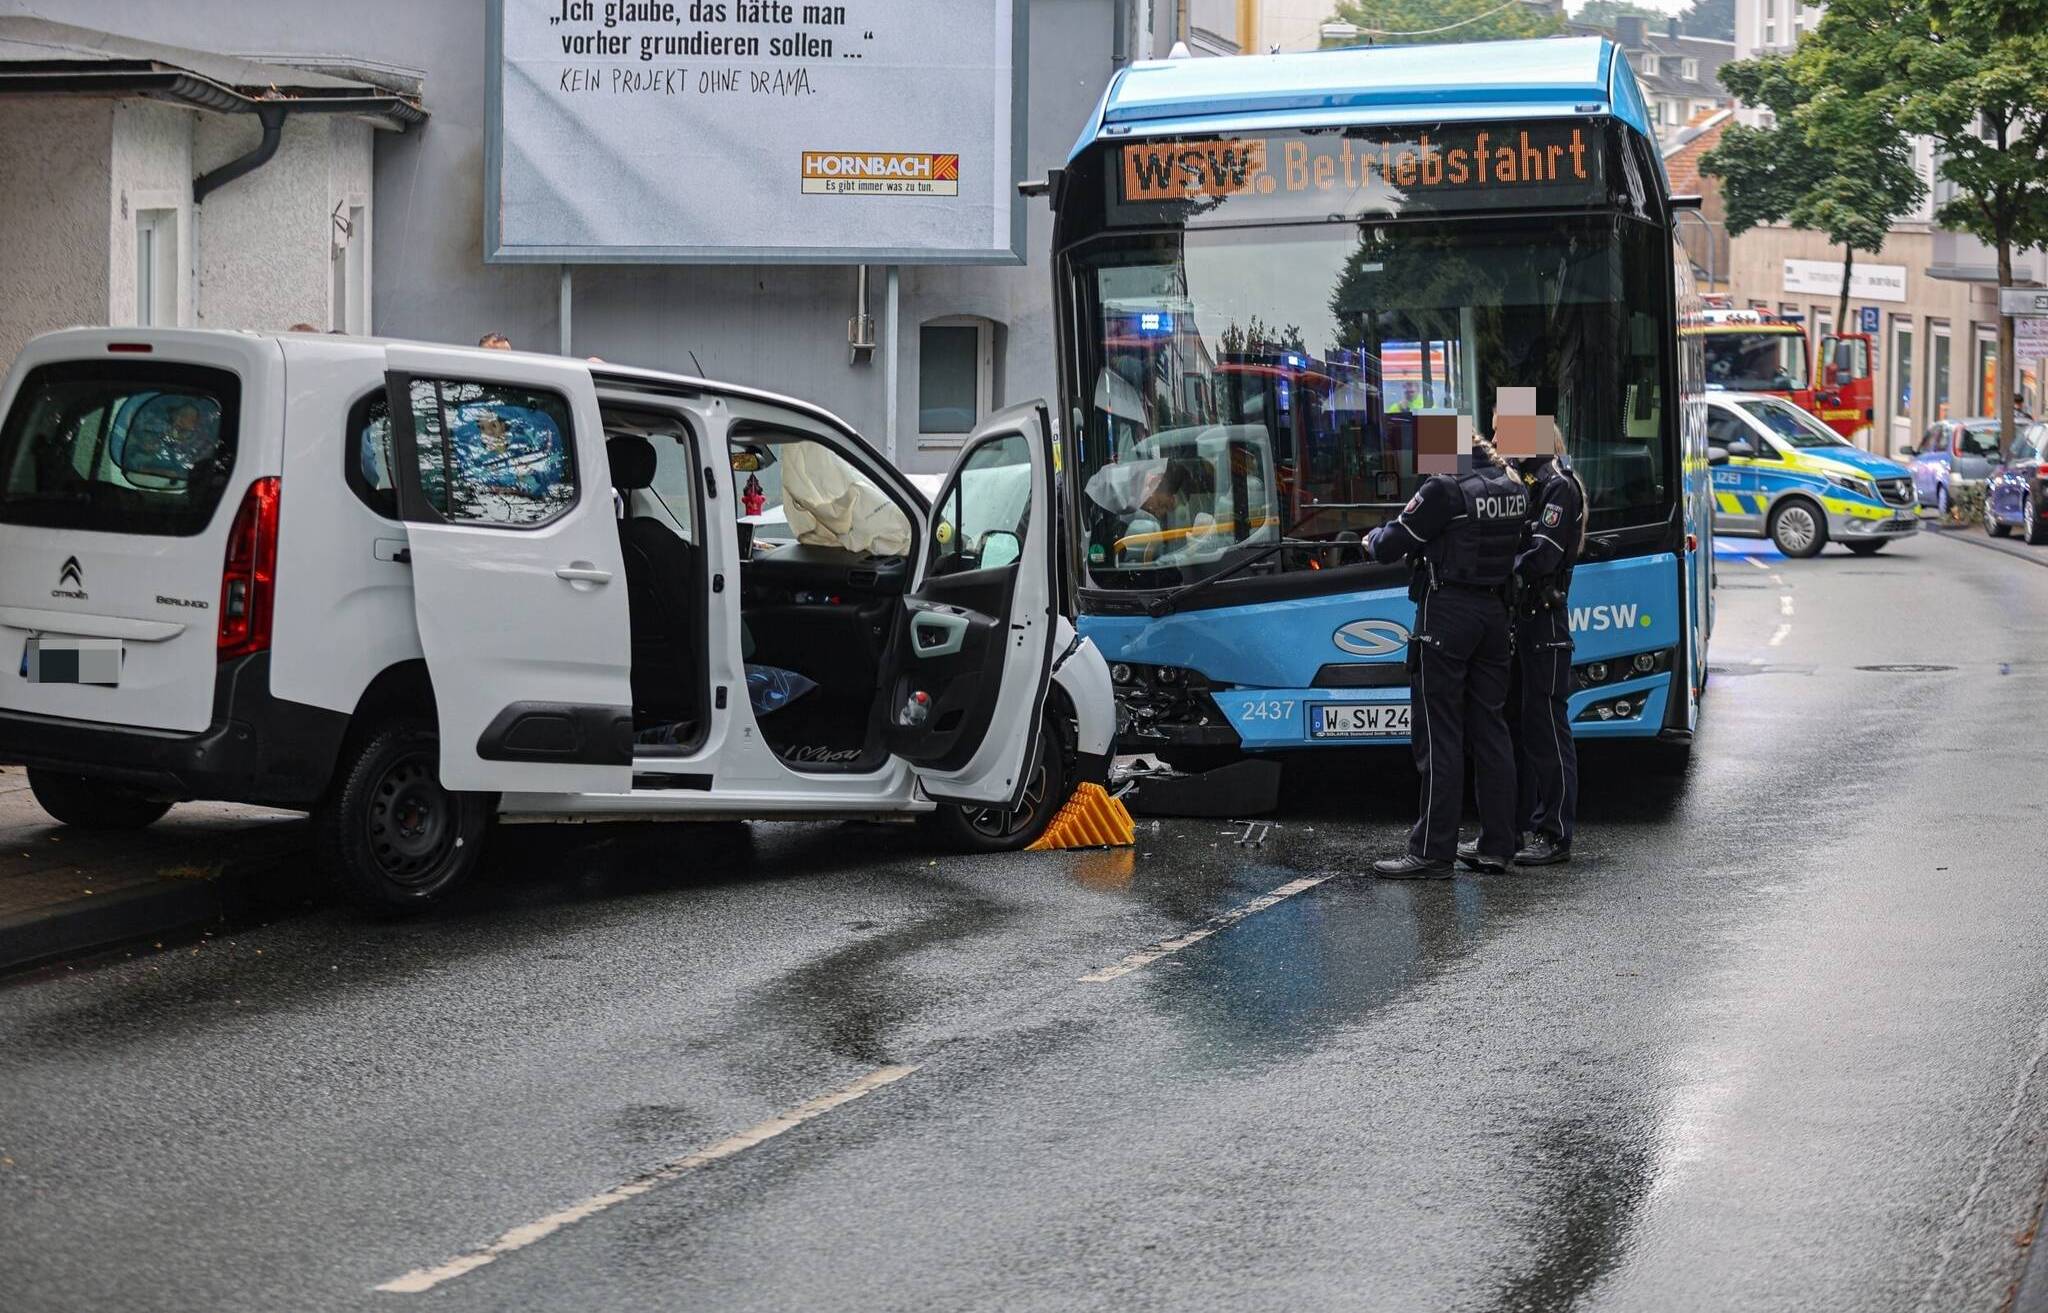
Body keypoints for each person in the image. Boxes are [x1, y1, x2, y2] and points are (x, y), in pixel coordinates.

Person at [1363, 422, 1527, 879]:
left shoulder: (1444, 489)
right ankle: (1499, 844)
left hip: (1448, 614)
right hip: (1496, 614)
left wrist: (1370, 539)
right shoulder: (1512, 483)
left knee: (1439, 735)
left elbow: (1392, 543)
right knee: (1491, 730)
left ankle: (1432, 852)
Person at [1484, 437, 1586, 867]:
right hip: (1521, 620)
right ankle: (1517, 829)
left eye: (1499, 431)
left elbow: (1542, 555)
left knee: (1546, 730)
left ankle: (1555, 832)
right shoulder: (1525, 482)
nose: (1493, 442)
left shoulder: (1557, 484)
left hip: (1545, 621)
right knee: (1520, 729)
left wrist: (1493, 566)